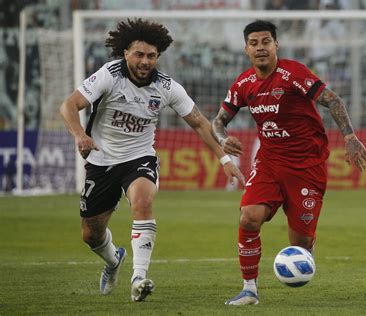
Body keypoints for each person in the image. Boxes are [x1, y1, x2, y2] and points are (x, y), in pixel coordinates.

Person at [60, 18, 245, 302]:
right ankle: (113, 261)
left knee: (143, 201)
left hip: (140, 157)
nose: (145, 61)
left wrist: (224, 160)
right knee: (91, 235)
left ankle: (139, 278)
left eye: (151, 56)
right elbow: (69, 105)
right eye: (139, 54)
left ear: (158, 57)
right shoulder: (109, 75)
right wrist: (79, 135)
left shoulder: (167, 87)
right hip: (101, 160)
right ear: (125, 53)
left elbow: (198, 123)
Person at [211, 20, 366, 306]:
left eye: (266, 41)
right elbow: (219, 122)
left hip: (307, 166)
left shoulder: (292, 73)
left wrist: (349, 137)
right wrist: (223, 139)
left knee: (300, 244)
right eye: (254, 43)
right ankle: (249, 289)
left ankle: (307, 244)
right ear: (246, 49)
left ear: (276, 45)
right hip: (270, 162)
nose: (260, 48)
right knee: (249, 217)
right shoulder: (243, 84)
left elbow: (333, 101)